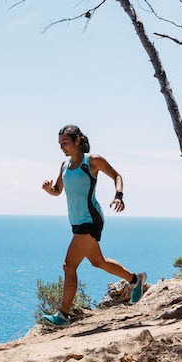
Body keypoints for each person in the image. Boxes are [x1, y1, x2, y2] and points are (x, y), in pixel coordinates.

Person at [40, 125, 146, 327]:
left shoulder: (92, 161)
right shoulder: (64, 165)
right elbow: (57, 190)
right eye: (60, 144)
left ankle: (62, 315)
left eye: (66, 143)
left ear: (77, 141)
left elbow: (117, 176)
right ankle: (135, 280)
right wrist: (48, 189)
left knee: (68, 265)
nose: (62, 147)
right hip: (76, 222)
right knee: (98, 262)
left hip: (91, 219)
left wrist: (119, 196)